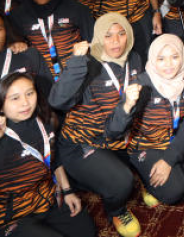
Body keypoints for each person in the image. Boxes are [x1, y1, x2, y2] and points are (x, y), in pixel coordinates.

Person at [0, 73, 95, 237]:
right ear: (0, 105)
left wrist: (67, 191)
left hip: (47, 201)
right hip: (11, 217)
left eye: (30, 93)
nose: (25, 103)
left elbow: (55, 160)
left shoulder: (44, 122)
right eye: (15, 98)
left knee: (86, 231)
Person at [49, 13, 143, 237]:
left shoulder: (135, 58)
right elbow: (57, 101)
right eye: (108, 35)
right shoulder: (87, 64)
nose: (116, 41)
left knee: (152, 162)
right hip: (82, 143)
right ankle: (116, 210)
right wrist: (76, 62)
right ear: (98, 37)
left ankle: (89, 178)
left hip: (115, 134)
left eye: (121, 34)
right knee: (123, 182)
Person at [106, 34, 184, 207]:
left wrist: (168, 159)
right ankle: (142, 175)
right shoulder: (142, 85)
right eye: (161, 59)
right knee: (175, 191)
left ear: (183, 57)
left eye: (174, 57)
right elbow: (112, 132)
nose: (169, 64)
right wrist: (127, 105)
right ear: (152, 59)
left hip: (175, 140)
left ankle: (166, 163)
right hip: (147, 144)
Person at [9, 0, 94, 80]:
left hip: (78, 77)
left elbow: (93, 42)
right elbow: (13, 45)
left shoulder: (76, 9)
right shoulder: (18, 16)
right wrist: (15, 44)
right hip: (42, 81)